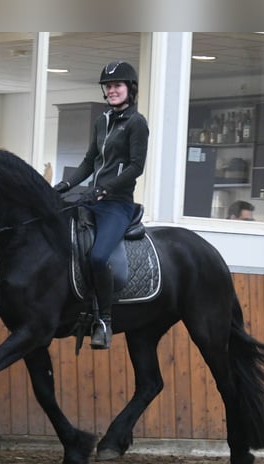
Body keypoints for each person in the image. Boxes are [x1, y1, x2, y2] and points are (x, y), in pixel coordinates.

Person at [53, 61, 149, 349]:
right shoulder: (101, 121)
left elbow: (136, 167)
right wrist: (64, 185)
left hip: (117, 205)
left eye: (117, 85)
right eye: (108, 86)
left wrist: (106, 189)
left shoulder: (137, 123)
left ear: (129, 89)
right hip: (92, 199)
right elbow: (88, 162)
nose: (112, 90)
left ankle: (104, 320)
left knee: (97, 257)